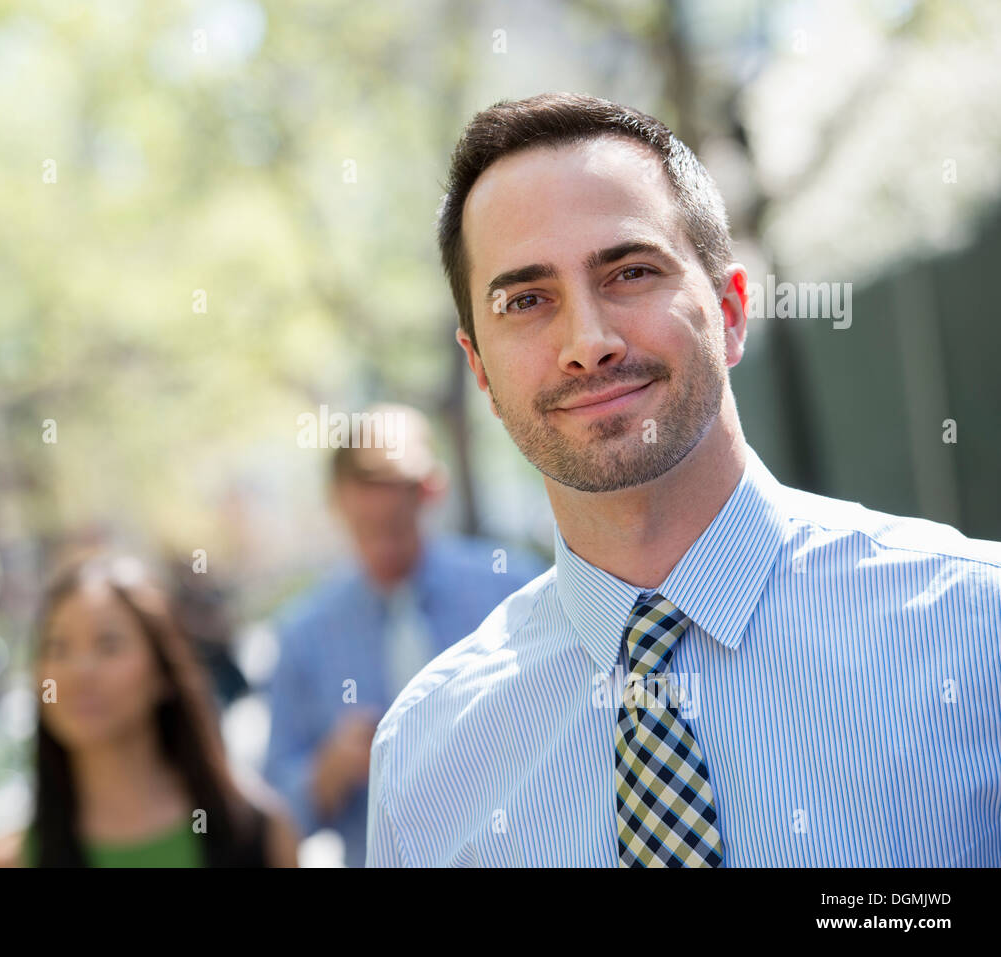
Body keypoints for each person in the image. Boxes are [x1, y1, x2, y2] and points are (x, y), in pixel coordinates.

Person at [366, 92, 1001, 867]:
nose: (587, 343)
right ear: (481, 373)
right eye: (527, 300)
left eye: (630, 271)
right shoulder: (424, 757)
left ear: (731, 310)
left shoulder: (976, 632)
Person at [264, 403, 545, 867]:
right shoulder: (303, 635)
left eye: (396, 527)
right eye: (364, 529)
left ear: (430, 493)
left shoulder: (514, 589)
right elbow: (275, 813)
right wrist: (328, 771)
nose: (383, 548)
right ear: (336, 504)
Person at [0, 550, 299, 867]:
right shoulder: (11, 859)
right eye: (58, 649)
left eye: (108, 645)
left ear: (163, 672)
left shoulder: (256, 832)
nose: (80, 672)